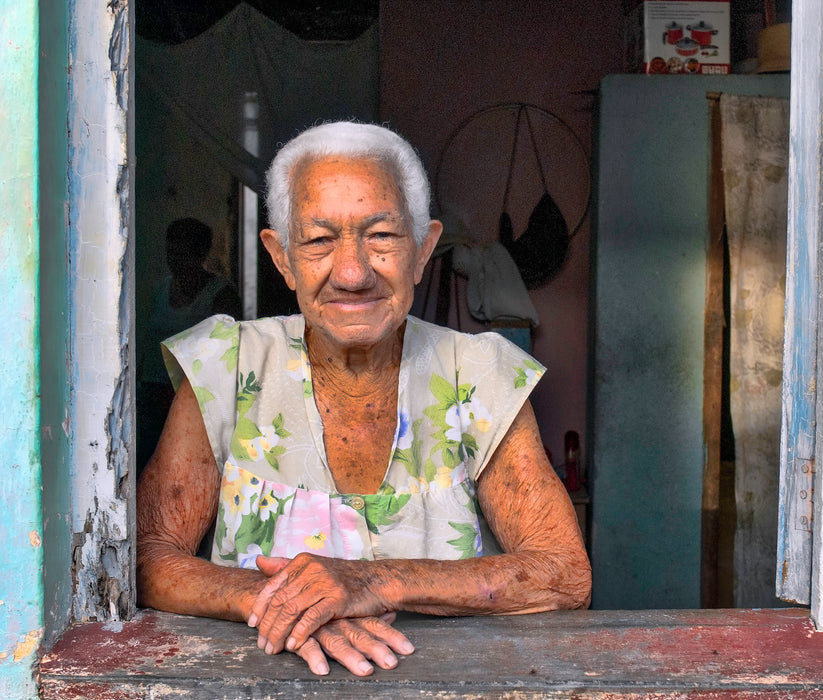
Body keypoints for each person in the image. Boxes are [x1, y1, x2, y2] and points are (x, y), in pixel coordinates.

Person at [136, 121, 591, 678]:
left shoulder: (476, 375)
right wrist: (295, 601)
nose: (352, 273)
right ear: (282, 259)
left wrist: (368, 582)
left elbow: (563, 573)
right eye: (319, 240)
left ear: (423, 250)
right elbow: (147, 557)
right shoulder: (226, 367)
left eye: (381, 236)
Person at [136, 217, 242, 469]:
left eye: (183, 252)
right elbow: (147, 343)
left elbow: (228, 355)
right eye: (170, 252)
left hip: (194, 399)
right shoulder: (160, 291)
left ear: (200, 252)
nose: (175, 260)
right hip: (152, 397)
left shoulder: (220, 296)